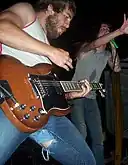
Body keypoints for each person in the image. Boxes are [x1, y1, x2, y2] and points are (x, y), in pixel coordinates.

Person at [0, 0, 96, 164]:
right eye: (66, 17)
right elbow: (2, 29)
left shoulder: (46, 49)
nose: (67, 25)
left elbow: (47, 90)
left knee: (87, 161)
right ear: (51, 8)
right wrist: (51, 52)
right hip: (11, 103)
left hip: (44, 114)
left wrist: (71, 94)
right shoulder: (27, 12)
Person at [69, 11, 128, 165]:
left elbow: (117, 68)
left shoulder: (107, 54)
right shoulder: (85, 48)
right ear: (96, 33)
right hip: (76, 95)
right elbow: (95, 44)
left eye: (108, 29)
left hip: (92, 98)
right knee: (81, 131)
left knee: (98, 138)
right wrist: (118, 32)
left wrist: (113, 46)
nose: (106, 31)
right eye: (103, 29)